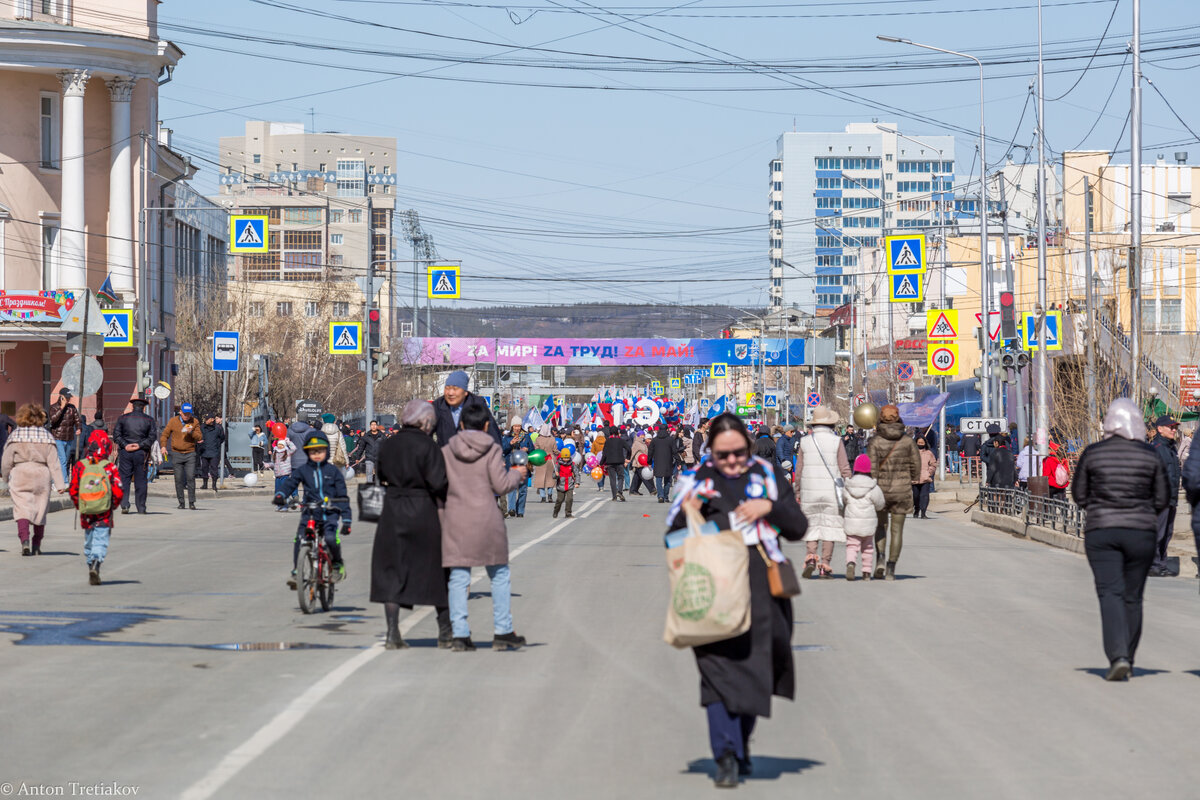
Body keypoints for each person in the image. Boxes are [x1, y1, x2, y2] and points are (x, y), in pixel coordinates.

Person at [666, 413, 808, 787]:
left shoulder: (767, 475)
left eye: (738, 452)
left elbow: (798, 527)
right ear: (710, 450)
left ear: (748, 443)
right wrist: (689, 510)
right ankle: (725, 753)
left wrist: (770, 509)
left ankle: (740, 742)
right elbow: (673, 538)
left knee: (756, 668)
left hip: (762, 583)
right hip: (710, 584)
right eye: (722, 454)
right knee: (717, 669)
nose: (731, 461)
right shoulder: (696, 480)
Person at [1072, 398, 1169, 681]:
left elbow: (1079, 495)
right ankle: (1128, 654)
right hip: (1141, 533)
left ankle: (1118, 657)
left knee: (1110, 592)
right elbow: (1163, 498)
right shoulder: (1150, 455)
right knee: (1133, 595)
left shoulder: (1093, 453)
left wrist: (1101, 506)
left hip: (1101, 532)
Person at [439, 401, 529, 652]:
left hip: (456, 519)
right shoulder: (491, 450)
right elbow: (501, 486)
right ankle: (502, 631)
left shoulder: (447, 451)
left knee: (458, 577)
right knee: (499, 576)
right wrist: (517, 474)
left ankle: (460, 634)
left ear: (462, 424)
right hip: (487, 519)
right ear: (487, 425)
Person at [371, 399, 452, 650]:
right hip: (423, 510)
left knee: (391, 571)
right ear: (426, 422)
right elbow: (439, 482)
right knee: (437, 570)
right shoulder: (429, 447)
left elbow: (380, 475)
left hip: (392, 509)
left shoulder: (388, 444)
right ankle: (445, 632)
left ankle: (393, 633)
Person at [275, 431, 352, 585]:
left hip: (330, 513)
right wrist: (281, 494)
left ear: (326, 451)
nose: (316, 454)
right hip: (310, 512)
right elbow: (291, 483)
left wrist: (347, 519)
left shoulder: (333, 471)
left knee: (330, 538)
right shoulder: (304, 470)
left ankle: (337, 564)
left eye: (320, 451)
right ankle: (297, 570)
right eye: (313, 451)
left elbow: (342, 496)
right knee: (300, 538)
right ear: (307, 452)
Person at [792, 405, 849, 579]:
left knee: (811, 526)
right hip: (831, 492)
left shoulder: (805, 442)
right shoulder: (836, 441)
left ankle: (810, 558)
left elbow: (799, 469)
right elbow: (844, 468)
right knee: (829, 528)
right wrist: (849, 488)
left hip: (810, 492)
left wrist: (797, 491)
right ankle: (825, 564)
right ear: (830, 424)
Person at [1, 403, 65, 556]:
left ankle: (25, 541)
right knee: (40, 510)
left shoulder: (15, 435)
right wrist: (60, 484)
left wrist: (5, 476)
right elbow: (54, 463)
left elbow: (6, 460)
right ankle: (37, 543)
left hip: (20, 473)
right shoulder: (46, 436)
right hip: (41, 474)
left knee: (21, 509)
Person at [866, 404, 921, 581]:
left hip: (880, 491)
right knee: (897, 530)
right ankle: (891, 567)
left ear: (880, 418)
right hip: (901, 491)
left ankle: (880, 559)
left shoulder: (875, 441)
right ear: (898, 418)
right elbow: (916, 468)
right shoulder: (907, 441)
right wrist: (910, 477)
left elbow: (871, 469)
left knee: (880, 527)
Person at [68, 430, 124, 585]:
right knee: (100, 538)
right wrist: (112, 505)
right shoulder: (109, 467)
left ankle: (89, 561)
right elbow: (119, 490)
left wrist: (79, 504)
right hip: (104, 511)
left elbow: (73, 489)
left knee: (89, 539)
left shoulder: (80, 466)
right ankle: (96, 562)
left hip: (86, 510)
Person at [844, 454, 886, 581]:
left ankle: (851, 563)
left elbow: (843, 500)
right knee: (867, 548)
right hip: (868, 525)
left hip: (852, 523)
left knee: (852, 546)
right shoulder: (873, 487)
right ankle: (866, 572)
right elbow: (880, 504)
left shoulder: (848, 486)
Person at [1149, 415, 1181, 577]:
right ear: (1160, 429)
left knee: (1167, 533)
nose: (1174, 430)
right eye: (1171, 427)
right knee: (1157, 532)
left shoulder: (1170, 448)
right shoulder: (1157, 448)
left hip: (1171, 498)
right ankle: (1152, 565)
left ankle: (1161, 563)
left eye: (1175, 427)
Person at [433, 370, 501, 447]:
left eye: (455, 389)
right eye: (447, 388)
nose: (450, 393)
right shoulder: (438, 406)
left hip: (474, 456)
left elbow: (493, 435)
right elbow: (424, 435)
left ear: (465, 392)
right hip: (445, 456)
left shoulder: (477, 404)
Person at [112, 396, 156, 515]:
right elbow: (152, 437)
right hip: (141, 453)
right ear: (143, 408)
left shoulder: (123, 418)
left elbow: (116, 435)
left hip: (126, 452)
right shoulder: (149, 420)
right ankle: (141, 507)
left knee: (124, 479)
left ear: (133, 406)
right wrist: (140, 445)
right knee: (141, 480)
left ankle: (124, 504)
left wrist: (125, 445)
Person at [160, 403, 203, 510]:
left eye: (189, 414)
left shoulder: (195, 422)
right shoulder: (173, 421)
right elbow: (165, 435)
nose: (187, 416)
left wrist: (191, 432)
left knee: (190, 477)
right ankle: (181, 502)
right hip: (176, 453)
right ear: (180, 412)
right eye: (185, 414)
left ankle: (192, 502)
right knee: (178, 478)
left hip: (190, 453)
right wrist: (163, 447)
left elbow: (199, 437)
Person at [501, 420, 533, 518]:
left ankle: (520, 511)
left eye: (518, 426)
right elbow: (502, 449)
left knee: (523, 490)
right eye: (515, 426)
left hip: (524, 466)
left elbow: (532, 449)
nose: (517, 428)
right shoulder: (507, 437)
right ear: (512, 427)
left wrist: (527, 449)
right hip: (511, 466)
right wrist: (510, 443)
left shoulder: (526, 437)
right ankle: (512, 509)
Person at [48, 388, 80, 483]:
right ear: (61, 397)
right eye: (67, 397)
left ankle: (56, 480)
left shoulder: (72, 407)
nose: (68, 399)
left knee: (64, 461)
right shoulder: (54, 407)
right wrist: (61, 408)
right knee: (63, 460)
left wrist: (79, 428)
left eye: (69, 397)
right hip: (58, 438)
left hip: (69, 438)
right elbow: (53, 420)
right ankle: (64, 482)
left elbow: (77, 419)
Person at [268, 432, 297, 512]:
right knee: (277, 492)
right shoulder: (275, 452)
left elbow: (294, 448)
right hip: (277, 475)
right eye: (279, 445)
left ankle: (285, 506)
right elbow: (274, 463)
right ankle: (279, 505)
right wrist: (269, 465)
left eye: (282, 445)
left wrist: (288, 442)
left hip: (285, 475)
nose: (280, 446)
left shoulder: (287, 452)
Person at [602, 424, 630, 501]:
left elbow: (604, 453)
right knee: (621, 477)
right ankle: (620, 492)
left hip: (610, 462)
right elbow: (629, 449)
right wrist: (627, 458)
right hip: (620, 462)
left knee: (612, 479)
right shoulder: (621, 440)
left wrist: (601, 463)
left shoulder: (607, 441)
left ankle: (614, 496)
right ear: (617, 432)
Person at [650, 425, 677, 503]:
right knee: (668, 480)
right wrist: (678, 461)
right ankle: (665, 496)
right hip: (668, 462)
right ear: (667, 430)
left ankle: (660, 496)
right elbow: (674, 451)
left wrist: (649, 461)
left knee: (658, 479)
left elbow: (650, 451)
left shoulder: (655, 440)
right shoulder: (670, 440)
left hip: (658, 462)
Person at [911, 436, 937, 519]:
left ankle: (923, 512)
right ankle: (916, 509)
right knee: (916, 496)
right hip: (914, 479)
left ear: (925, 443)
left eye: (922, 443)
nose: (920, 444)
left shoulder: (929, 453)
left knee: (924, 496)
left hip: (925, 478)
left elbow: (933, 464)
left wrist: (929, 472)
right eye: (919, 443)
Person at [198, 414, 225, 492]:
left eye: (207, 419)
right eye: (205, 419)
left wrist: (216, 444)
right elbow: (199, 436)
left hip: (214, 451)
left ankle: (214, 484)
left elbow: (222, 438)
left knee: (214, 468)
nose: (206, 420)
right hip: (204, 450)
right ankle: (205, 484)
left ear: (212, 419)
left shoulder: (218, 427)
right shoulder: (202, 427)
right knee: (204, 468)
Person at [533, 423, 557, 502]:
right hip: (550, 458)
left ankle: (543, 497)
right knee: (550, 478)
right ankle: (550, 495)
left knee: (541, 478)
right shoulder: (552, 439)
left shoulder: (538, 439)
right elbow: (555, 450)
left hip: (541, 458)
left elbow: (536, 449)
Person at [553, 447, 577, 518]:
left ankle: (568, 513)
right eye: (564, 458)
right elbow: (553, 476)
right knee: (559, 500)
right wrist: (556, 474)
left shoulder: (572, 464)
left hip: (569, 484)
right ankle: (556, 511)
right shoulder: (558, 465)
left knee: (569, 499)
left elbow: (576, 473)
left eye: (567, 458)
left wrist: (577, 482)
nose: (566, 460)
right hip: (561, 485)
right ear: (562, 457)